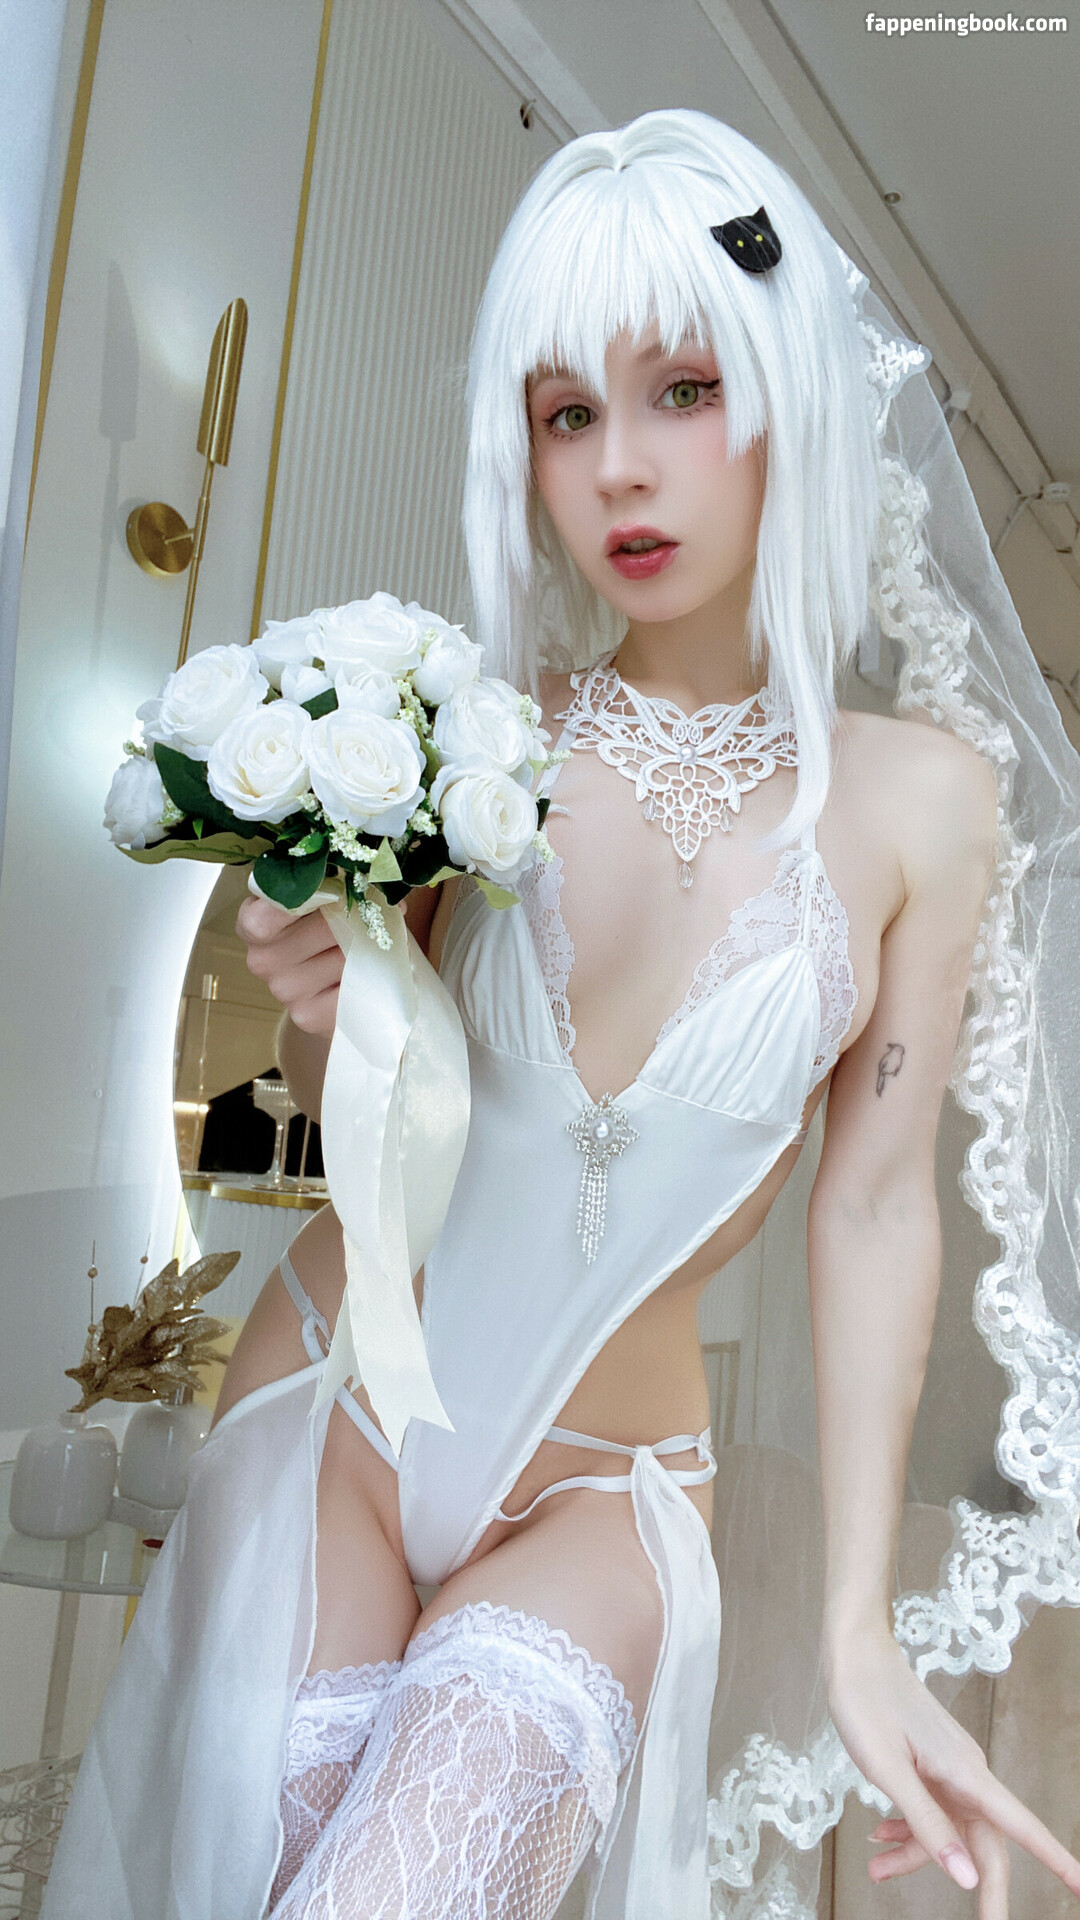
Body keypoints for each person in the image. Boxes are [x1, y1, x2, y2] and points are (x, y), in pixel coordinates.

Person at [42, 110, 1080, 1920]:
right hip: (336, 1415)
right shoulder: (470, 735)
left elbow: (871, 1208)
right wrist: (325, 1002)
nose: (621, 470)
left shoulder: (925, 804)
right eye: (567, 413)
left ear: (788, 395)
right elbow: (361, 1112)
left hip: (609, 1502)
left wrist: (856, 1628)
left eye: (684, 391)